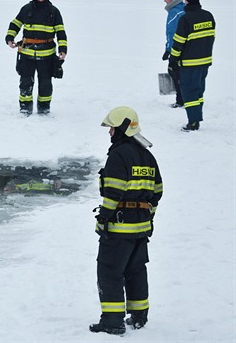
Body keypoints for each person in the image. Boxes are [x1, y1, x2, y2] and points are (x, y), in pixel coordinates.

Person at [89, 107, 163, 335]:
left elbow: (113, 191)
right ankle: (139, 316)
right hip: (141, 229)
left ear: (121, 127)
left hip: (119, 227)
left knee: (109, 271)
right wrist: (147, 218)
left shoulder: (119, 155)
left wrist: (104, 218)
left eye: (112, 127)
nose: (109, 132)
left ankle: (112, 322)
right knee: (136, 270)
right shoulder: (147, 155)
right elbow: (157, 191)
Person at [5, 0, 67, 116]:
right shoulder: (26, 9)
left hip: (47, 56)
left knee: (45, 84)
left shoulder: (54, 12)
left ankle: (44, 109)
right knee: (26, 82)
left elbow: (60, 32)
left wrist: (62, 49)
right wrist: (10, 38)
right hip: (27, 55)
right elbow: (15, 24)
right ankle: (25, 107)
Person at [169, 0, 216, 131]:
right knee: (199, 92)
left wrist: (173, 59)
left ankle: (193, 122)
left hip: (189, 64)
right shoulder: (208, 16)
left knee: (189, 93)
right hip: (205, 62)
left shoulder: (185, 18)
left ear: (187, 1)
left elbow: (178, 42)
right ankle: (197, 117)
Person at [162, 0, 185, 108]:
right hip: (187, 48)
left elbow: (172, 33)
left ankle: (180, 99)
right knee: (180, 72)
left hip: (177, 48)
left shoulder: (174, 12)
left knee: (173, 71)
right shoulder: (183, 9)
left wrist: (168, 50)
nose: (164, 0)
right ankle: (183, 98)